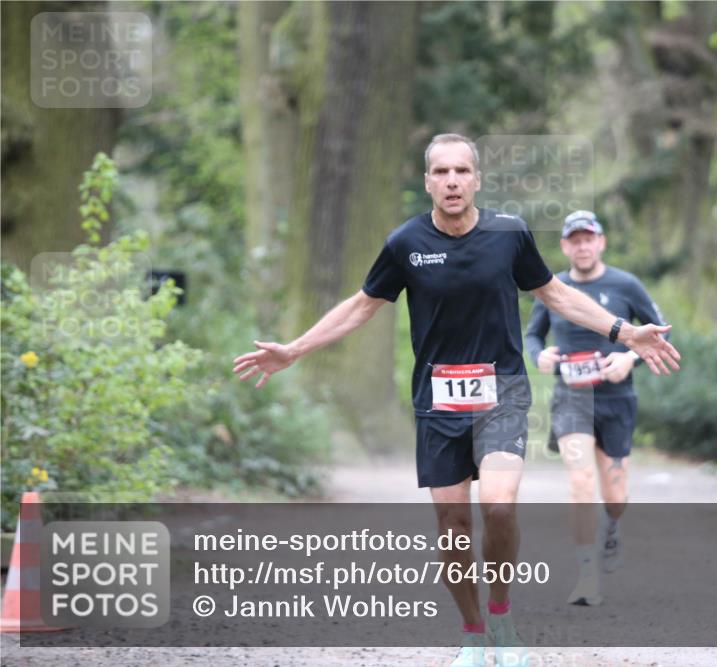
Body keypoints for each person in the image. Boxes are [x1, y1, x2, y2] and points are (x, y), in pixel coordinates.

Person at [232, 134, 680, 667]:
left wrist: (624, 333)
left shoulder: (509, 235)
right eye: (441, 172)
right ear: (427, 181)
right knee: (453, 528)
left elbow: (556, 295)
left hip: (502, 392)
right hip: (438, 402)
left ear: (476, 179)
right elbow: (362, 305)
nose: (451, 181)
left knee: (497, 505)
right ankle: (473, 635)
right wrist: (296, 349)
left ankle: (502, 617)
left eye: (461, 171)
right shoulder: (405, 243)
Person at [525, 210, 670, 607]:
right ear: (565, 246)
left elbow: (659, 331)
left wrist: (629, 359)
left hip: (617, 399)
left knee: (615, 495)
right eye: (575, 239)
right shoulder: (554, 287)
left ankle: (612, 528)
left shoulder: (626, 284)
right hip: (572, 397)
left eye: (589, 238)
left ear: (601, 242)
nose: (583, 245)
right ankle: (587, 575)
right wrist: (540, 355)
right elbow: (533, 335)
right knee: (580, 480)